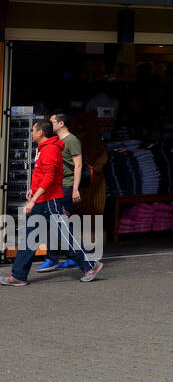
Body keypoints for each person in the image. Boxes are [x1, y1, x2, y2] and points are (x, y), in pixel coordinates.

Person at [1, 118, 103, 286]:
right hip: (42, 199)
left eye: (33, 130)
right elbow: (42, 174)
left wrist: (32, 200)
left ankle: (90, 265)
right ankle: (18, 275)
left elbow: (49, 178)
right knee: (29, 237)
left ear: (41, 132)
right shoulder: (43, 148)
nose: (31, 133)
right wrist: (33, 190)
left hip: (49, 200)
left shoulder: (50, 150)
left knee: (64, 235)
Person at [38, 112, 84, 272]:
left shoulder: (72, 140)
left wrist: (75, 188)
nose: (49, 125)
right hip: (57, 187)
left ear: (61, 123)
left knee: (59, 223)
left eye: (52, 122)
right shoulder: (56, 141)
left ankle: (57, 258)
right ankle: (70, 257)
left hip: (67, 186)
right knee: (57, 223)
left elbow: (78, 165)